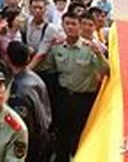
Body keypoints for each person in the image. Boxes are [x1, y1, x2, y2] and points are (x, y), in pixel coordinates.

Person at [42, 11, 109, 161]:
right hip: (64, 97)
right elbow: (50, 68)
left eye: (74, 24)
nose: (71, 27)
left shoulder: (90, 48)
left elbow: (106, 70)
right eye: (67, 24)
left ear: (80, 27)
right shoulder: (57, 47)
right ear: (63, 26)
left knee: (80, 134)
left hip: (84, 99)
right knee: (62, 133)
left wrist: (99, 55)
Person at [5, 41, 52, 162]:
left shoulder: (18, 93)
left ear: (8, 59)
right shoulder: (35, 78)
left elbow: (22, 128)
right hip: (44, 138)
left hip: (31, 146)